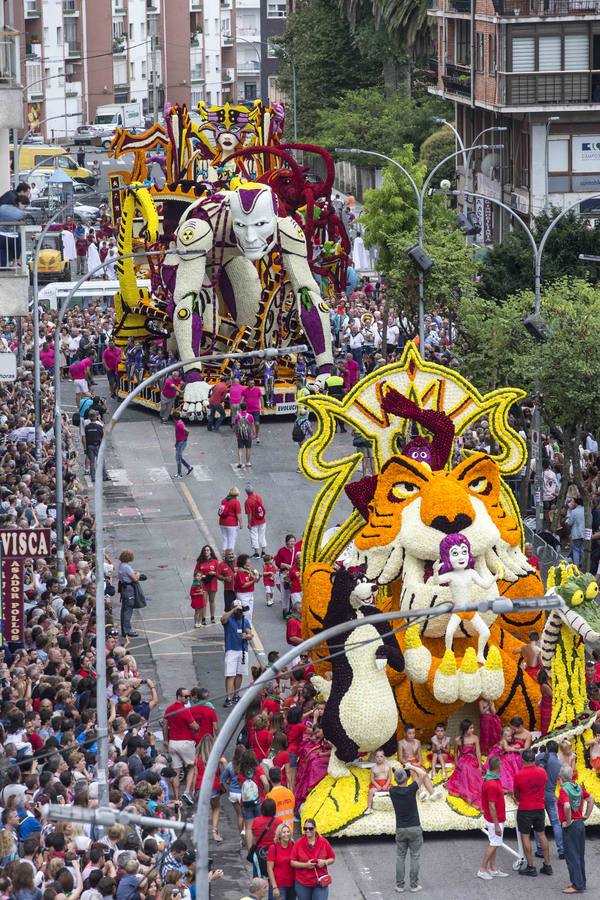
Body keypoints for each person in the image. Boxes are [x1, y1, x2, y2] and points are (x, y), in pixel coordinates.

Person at [389, 765, 430, 894]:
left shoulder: (392, 791)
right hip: (414, 827)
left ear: (395, 779)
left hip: (401, 828)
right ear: (407, 778)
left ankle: (400, 886)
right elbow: (423, 774)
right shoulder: (411, 789)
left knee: (400, 857)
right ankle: (413, 885)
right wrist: (411, 766)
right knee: (415, 857)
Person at [513, 748, 552, 877]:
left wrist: (520, 799)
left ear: (522, 760)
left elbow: (516, 794)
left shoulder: (519, 774)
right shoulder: (542, 772)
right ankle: (547, 865)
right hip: (539, 807)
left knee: (525, 836)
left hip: (525, 808)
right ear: (534, 759)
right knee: (542, 835)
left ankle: (531, 867)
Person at [557, 764, 594, 895]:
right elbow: (591, 799)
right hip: (580, 824)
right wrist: (586, 815)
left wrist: (567, 821)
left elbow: (566, 806)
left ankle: (577, 885)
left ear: (560, 777)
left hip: (571, 826)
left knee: (572, 856)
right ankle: (580, 882)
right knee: (579, 856)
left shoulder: (563, 790)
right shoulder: (578, 786)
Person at [162, 687, 200, 800]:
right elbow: (195, 726)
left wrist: (165, 740)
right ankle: (187, 792)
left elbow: (165, 724)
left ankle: (177, 799)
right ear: (179, 696)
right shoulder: (184, 710)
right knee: (192, 767)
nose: (188, 698)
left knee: (175, 772)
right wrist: (197, 728)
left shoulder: (169, 709)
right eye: (186, 696)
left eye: (189, 696)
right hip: (185, 742)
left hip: (173, 743)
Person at [477, 754, 509, 881]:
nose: (502, 765)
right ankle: (482, 869)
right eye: (501, 764)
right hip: (495, 820)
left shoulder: (492, 780)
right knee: (494, 844)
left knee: (494, 843)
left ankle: (493, 868)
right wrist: (496, 824)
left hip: (495, 818)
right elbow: (491, 805)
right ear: (498, 766)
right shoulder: (492, 783)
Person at [534, 740, 565, 861]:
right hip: (551, 795)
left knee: (538, 822)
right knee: (555, 822)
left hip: (539, 795)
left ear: (546, 749)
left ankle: (540, 849)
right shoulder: (559, 763)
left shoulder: (541, 756)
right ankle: (561, 849)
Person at [291, 817, 335, 899]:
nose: (307, 831)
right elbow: (292, 862)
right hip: (303, 883)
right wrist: (305, 865)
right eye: (305, 828)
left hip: (320, 881)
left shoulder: (323, 842)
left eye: (310, 828)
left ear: (315, 828)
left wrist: (325, 862)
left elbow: (332, 858)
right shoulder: (298, 843)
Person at [221, 599, 253, 707]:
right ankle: (228, 697)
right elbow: (223, 619)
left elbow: (250, 633)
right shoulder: (229, 619)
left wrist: (248, 636)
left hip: (242, 650)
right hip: (231, 650)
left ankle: (236, 694)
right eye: (237, 609)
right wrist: (234, 609)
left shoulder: (245, 620)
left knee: (239, 673)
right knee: (230, 675)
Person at [446, 719, 483, 809]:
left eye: (473, 728)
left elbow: (478, 752)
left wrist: (480, 766)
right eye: (470, 728)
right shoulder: (458, 740)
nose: (472, 730)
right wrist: (456, 764)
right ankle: (468, 791)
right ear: (465, 729)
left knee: (472, 770)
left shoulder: (475, 738)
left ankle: (474, 788)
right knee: (466, 768)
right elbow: (455, 753)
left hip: (472, 759)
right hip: (462, 760)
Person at [267, 822, 295, 900]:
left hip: (292, 885)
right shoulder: (273, 848)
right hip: (279, 885)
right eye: (284, 832)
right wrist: (274, 887)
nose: (286, 834)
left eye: (288, 832)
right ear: (279, 834)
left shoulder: (293, 846)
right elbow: (269, 869)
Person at [117, 549, 140, 638]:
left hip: (123, 587)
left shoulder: (121, 565)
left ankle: (124, 629)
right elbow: (135, 579)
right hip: (128, 589)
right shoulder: (126, 567)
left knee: (124, 609)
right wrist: (138, 574)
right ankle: (127, 630)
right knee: (128, 610)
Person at [274, 534, 299, 617]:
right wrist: (285, 565)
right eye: (290, 541)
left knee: (294, 592)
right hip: (285, 575)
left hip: (294, 574)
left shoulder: (296, 550)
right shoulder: (281, 551)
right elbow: (278, 563)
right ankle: (285, 610)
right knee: (285, 593)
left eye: (293, 541)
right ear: (286, 542)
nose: (292, 543)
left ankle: (293, 609)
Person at [194, 545, 219, 625]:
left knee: (212, 601)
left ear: (210, 551)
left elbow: (219, 572)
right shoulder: (200, 561)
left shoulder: (215, 561)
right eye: (205, 550)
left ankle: (212, 617)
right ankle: (203, 618)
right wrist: (201, 575)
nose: (206, 551)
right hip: (203, 584)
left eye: (208, 550)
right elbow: (195, 572)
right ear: (203, 552)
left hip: (212, 583)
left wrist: (214, 573)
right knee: (204, 601)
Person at [83, 410, 109, 483]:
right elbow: (104, 435)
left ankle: (93, 477)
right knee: (101, 461)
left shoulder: (87, 427)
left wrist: (85, 447)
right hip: (98, 445)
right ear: (96, 417)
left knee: (92, 462)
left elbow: (85, 437)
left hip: (90, 445)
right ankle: (104, 476)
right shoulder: (99, 426)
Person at [234, 554, 260, 624]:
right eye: (248, 559)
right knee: (246, 612)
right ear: (244, 561)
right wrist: (253, 581)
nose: (250, 560)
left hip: (250, 594)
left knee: (250, 612)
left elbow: (255, 580)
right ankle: (244, 629)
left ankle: (248, 628)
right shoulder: (240, 572)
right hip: (243, 595)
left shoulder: (249, 570)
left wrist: (258, 577)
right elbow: (243, 585)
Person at [366, 748, 392, 813]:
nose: (379, 758)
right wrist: (377, 785)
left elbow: (390, 777)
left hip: (386, 783)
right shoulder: (373, 768)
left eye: (381, 756)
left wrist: (386, 785)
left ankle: (397, 806)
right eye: (377, 757)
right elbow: (372, 779)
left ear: (384, 757)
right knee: (371, 791)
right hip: (376, 784)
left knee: (394, 790)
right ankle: (369, 808)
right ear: (375, 758)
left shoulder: (388, 766)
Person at [245, 484, 268, 559]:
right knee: (262, 535)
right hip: (262, 519)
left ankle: (256, 553)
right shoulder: (259, 497)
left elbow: (249, 513)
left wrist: (249, 523)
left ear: (246, 492)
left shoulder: (248, 501)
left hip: (254, 522)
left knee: (254, 536)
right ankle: (263, 552)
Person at [219, 486, 242, 552]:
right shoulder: (236, 502)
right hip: (231, 524)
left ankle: (224, 554)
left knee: (225, 539)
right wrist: (241, 523)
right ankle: (230, 554)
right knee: (231, 539)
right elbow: (238, 514)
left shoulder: (224, 500)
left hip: (222, 522)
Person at [234, 401, 255, 469]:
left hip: (240, 434)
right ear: (247, 407)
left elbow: (236, 425)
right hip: (248, 434)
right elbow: (252, 425)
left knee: (240, 449)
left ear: (240, 408)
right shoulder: (250, 416)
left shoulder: (238, 416)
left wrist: (236, 433)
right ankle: (248, 462)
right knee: (248, 448)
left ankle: (240, 462)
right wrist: (254, 433)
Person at [172, 412, 193, 479]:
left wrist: (185, 438)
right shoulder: (178, 422)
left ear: (174, 418)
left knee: (178, 458)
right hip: (179, 442)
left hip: (181, 442)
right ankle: (189, 467)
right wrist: (176, 442)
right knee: (179, 457)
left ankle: (179, 474)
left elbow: (187, 431)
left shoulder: (179, 424)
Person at [244, 377, 264, 444]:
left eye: (253, 383)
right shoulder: (245, 390)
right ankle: (250, 435)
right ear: (247, 383)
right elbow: (242, 399)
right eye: (251, 383)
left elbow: (261, 398)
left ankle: (257, 435)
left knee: (257, 423)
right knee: (248, 424)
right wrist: (241, 409)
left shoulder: (257, 389)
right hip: (248, 410)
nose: (253, 384)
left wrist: (263, 408)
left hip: (256, 409)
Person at [566, 497, 585, 566]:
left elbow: (570, 523)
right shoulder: (586, 510)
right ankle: (583, 565)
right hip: (584, 533)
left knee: (576, 549)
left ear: (576, 503)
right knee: (582, 549)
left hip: (576, 533)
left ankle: (576, 565)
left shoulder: (574, 511)